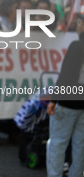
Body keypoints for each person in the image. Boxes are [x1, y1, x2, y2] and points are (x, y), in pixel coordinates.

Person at [46, 13, 84, 177]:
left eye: (79, 23)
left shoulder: (76, 46)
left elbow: (66, 75)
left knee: (58, 143)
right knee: (80, 145)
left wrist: (54, 99)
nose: (77, 26)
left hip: (69, 101)